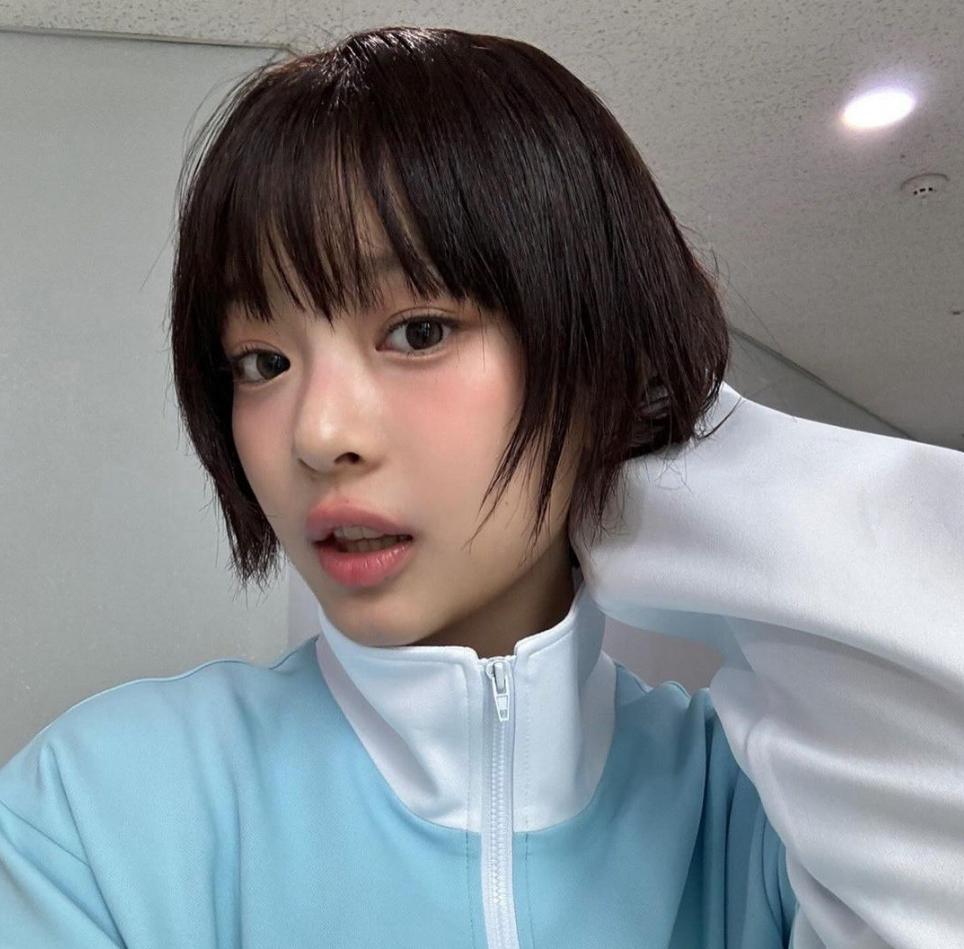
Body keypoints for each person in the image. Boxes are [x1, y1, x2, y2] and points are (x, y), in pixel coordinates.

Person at [2, 25, 962, 948]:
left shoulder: (762, 815)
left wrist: (645, 455)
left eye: (417, 331)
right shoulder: (97, 815)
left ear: (596, 353)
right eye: (261, 361)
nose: (318, 435)